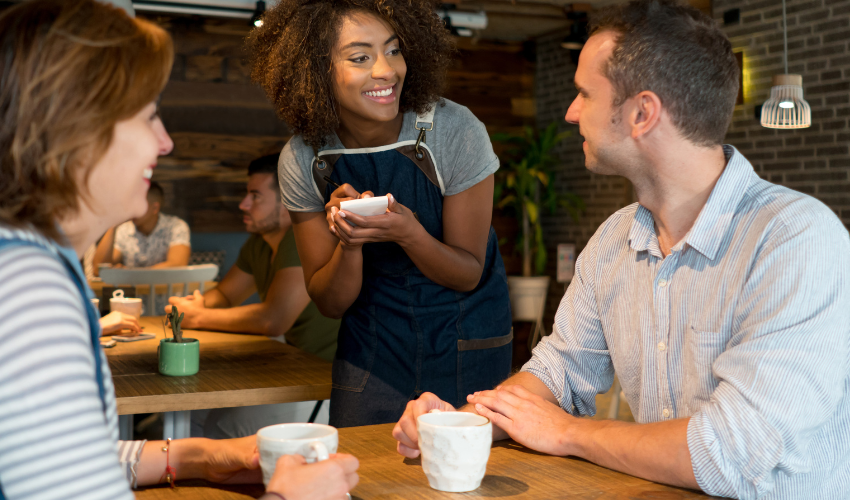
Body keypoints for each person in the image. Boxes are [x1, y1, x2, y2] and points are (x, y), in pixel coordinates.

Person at [392, 0, 850, 498]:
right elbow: (557, 372)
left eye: (585, 93)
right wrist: (459, 424)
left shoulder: (796, 241)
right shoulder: (614, 240)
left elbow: (726, 454)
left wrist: (566, 432)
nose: (571, 112)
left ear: (641, 113)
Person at [0, 2, 358, 500]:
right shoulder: (29, 293)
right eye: (149, 117)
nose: (164, 143)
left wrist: (199, 456)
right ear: (78, 129)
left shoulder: (24, 267)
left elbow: (65, 462)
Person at [249, 0, 514, 428]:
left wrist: (409, 233)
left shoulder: (454, 131)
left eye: (393, 50)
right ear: (314, 71)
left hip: (465, 339)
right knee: (365, 477)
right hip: (372, 350)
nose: (386, 71)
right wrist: (349, 244)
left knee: (460, 480)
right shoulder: (304, 158)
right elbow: (330, 302)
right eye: (360, 58)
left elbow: (467, 272)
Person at [167, 154, 340, 437]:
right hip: (294, 370)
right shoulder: (259, 244)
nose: (243, 205)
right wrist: (197, 303)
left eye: (255, 196)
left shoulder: (301, 240)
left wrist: (197, 316)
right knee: (192, 414)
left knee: (213, 426)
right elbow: (225, 294)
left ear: (289, 203)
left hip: (326, 385)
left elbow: (274, 319)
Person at [93, 181, 191, 273]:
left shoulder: (176, 227)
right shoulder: (123, 230)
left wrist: (131, 275)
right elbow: (99, 270)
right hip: (131, 291)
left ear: (155, 208)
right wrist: (112, 225)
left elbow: (178, 265)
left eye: (137, 204)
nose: (132, 209)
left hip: (166, 291)